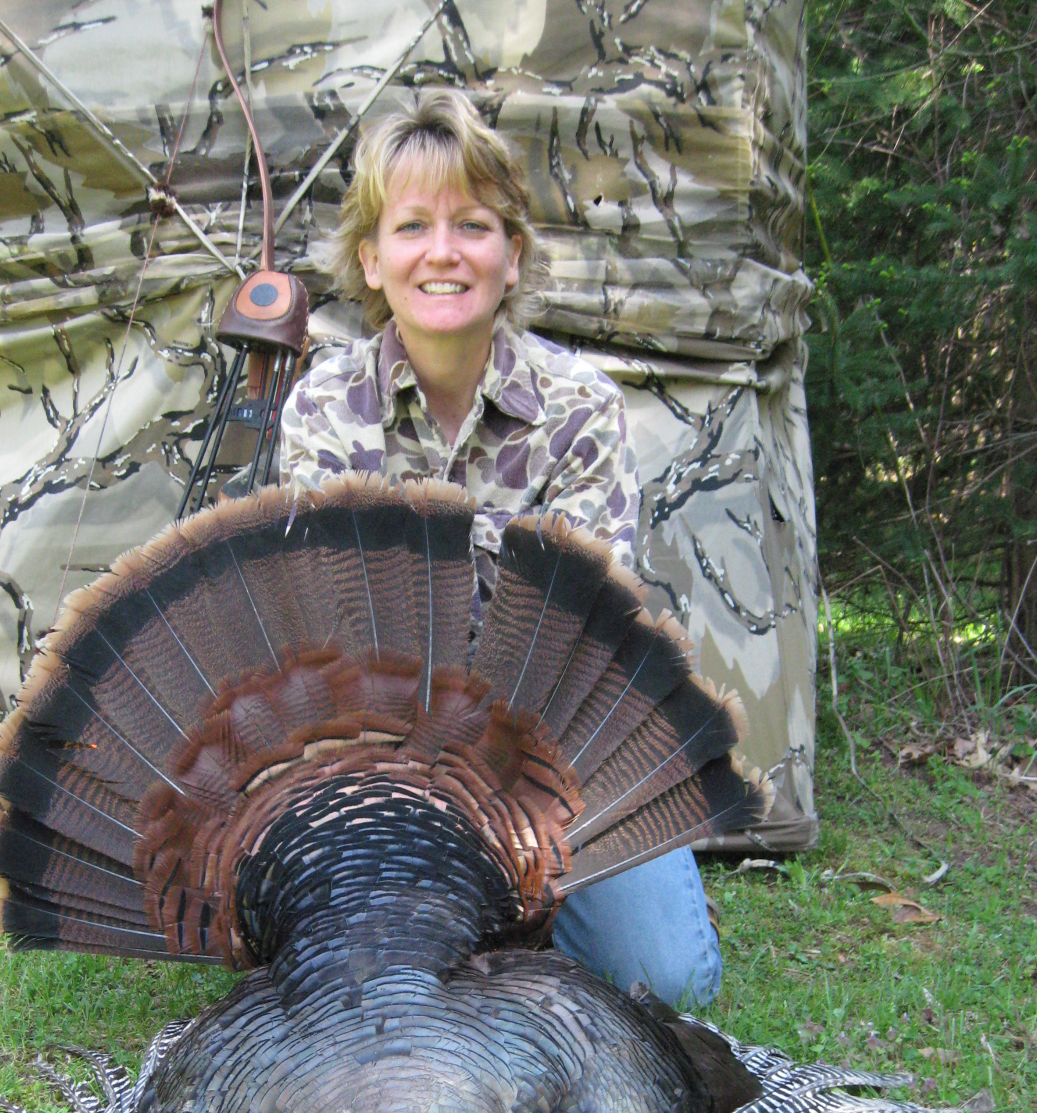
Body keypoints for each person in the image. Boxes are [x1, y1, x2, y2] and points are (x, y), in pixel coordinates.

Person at [278, 88, 721, 1008]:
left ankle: (528, 905)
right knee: (344, 985)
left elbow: (581, 645)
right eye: (411, 227)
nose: (443, 252)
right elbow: (335, 639)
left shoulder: (579, 409)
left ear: (511, 256)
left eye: (473, 225)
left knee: (667, 981)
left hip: (557, 748)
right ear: (371, 258)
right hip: (386, 754)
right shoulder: (323, 412)